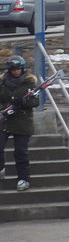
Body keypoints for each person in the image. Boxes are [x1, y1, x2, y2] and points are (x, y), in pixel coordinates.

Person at [0, 56, 41, 191]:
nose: (16, 72)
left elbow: (35, 102)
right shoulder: (3, 81)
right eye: (13, 69)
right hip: (5, 120)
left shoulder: (29, 82)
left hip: (22, 122)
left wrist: (22, 102)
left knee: (20, 152)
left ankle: (23, 179)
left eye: (18, 69)